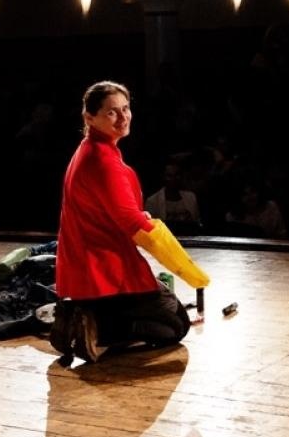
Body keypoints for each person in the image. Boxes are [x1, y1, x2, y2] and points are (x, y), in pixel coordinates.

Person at [51, 81, 210, 364]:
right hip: (103, 271)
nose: (123, 118)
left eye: (126, 109)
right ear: (89, 117)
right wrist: (191, 273)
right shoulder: (103, 160)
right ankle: (97, 328)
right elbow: (135, 224)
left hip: (83, 269)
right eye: (112, 112)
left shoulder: (89, 149)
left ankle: (90, 317)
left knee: (166, 306)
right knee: (176, 325)